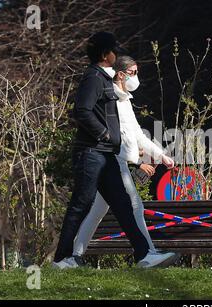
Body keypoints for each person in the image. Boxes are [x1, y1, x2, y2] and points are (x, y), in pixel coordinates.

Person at [52, 32, 178, 269]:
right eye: (113, 50)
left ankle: (144, 255)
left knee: (123, 205)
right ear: (104, 54)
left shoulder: (103, 79)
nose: (116, 54)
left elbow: (131, 130)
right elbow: (82, 111)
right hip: (91, 152)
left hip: (105, 154)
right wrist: (105, 135)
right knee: (82, 204)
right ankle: (62, 259)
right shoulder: (93, 78)